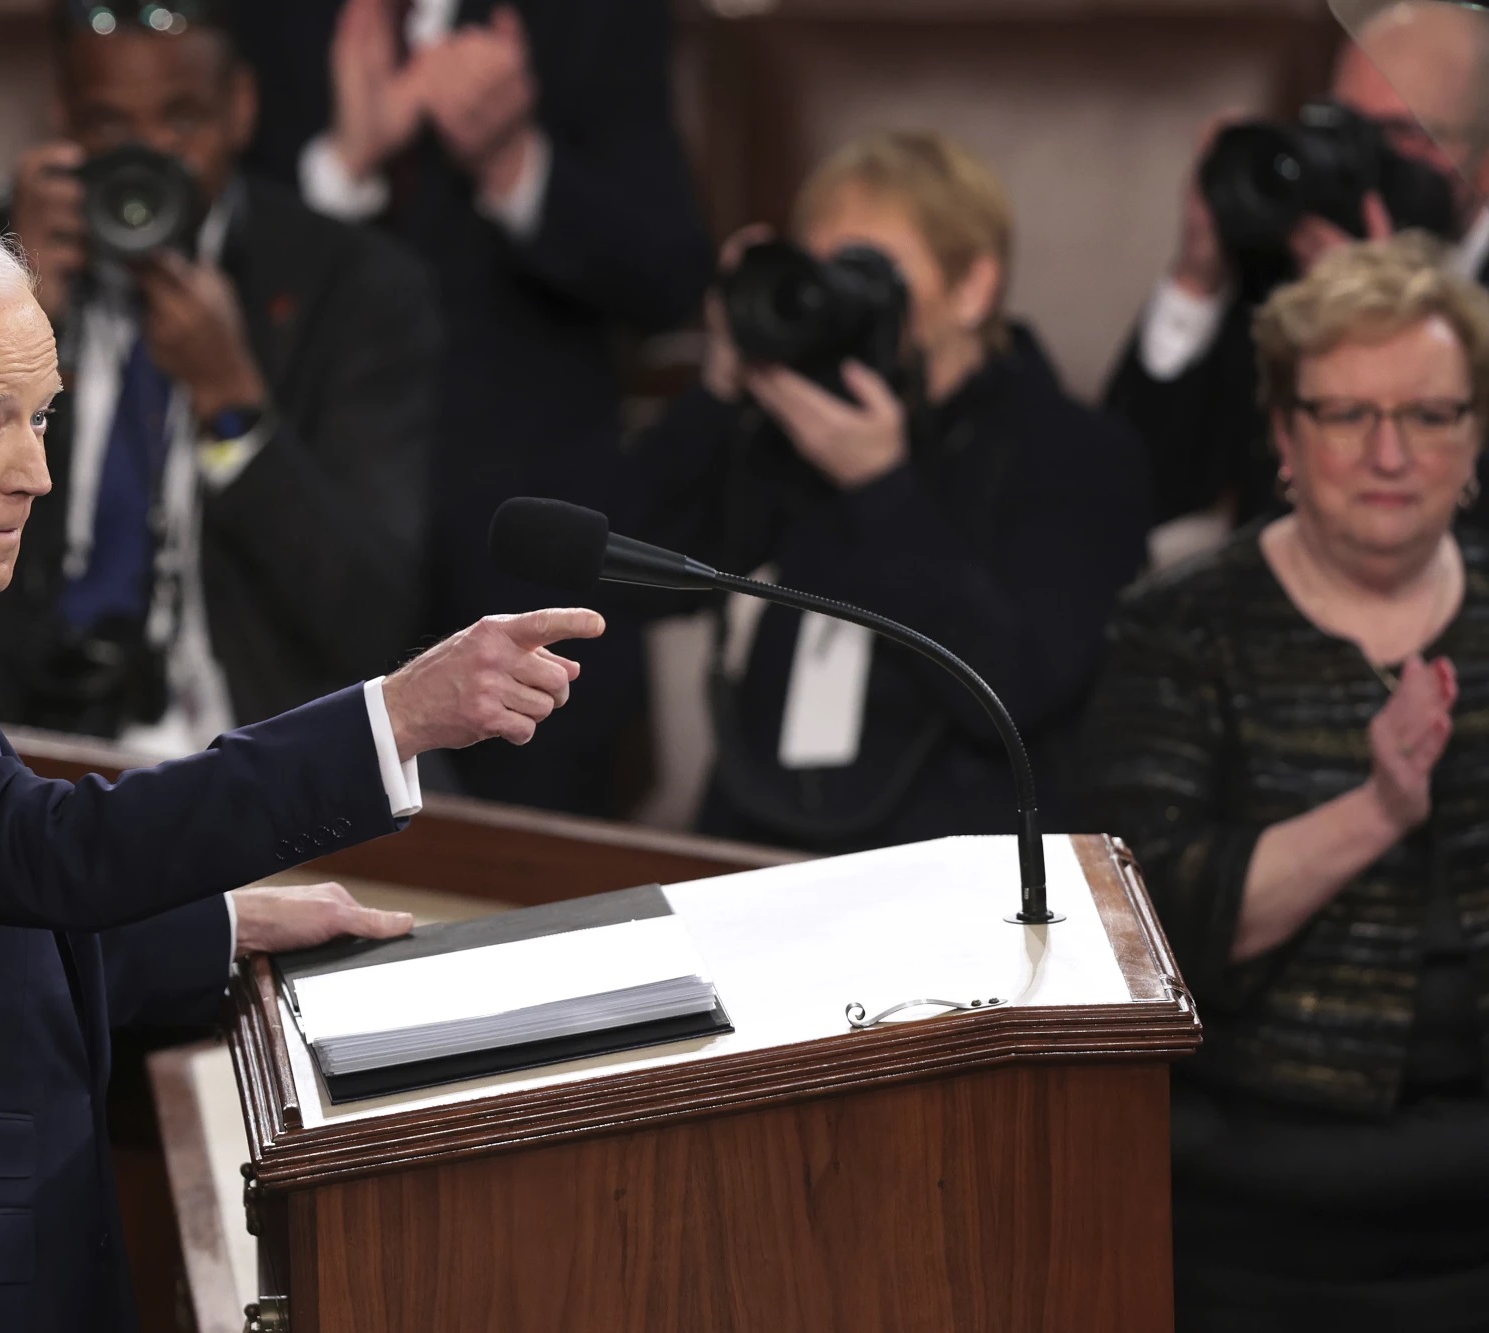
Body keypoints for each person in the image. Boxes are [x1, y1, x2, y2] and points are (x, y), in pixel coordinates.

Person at [0, 217, 601, 1330]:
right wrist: (395, 716)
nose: (35, 473)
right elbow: (47, 853)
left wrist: (223, 928)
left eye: (40, 419)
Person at [1084, 234, 1489, 1329]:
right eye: (1346, 414)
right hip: (1260, 1219)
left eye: (1430, 414)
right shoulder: (1180, 628)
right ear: (1280, 435)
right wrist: (1376, 811)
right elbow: (1141, 928)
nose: (1389, 452)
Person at [232, 0, 713, 815]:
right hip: (306, 543)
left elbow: (671, 279)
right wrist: (344, 169)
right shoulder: (268, 22)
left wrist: (514, 162)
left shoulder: (596, 21)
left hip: (522, 547)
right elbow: (204, 276)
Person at [0, 0, 439, 757]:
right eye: (108, 127)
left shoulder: (352, 289)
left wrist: (235, 405)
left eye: (181, 122)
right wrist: (15, 326)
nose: (146, 161)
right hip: (31, 750)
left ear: (240, 109)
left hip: (263, 751)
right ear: (61, 116)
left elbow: (368, 613)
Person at [632, 131, 1149, 854]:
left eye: (870, 270)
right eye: (824, 270)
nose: (841, 298)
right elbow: (630, 585)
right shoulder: (787, 424)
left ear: (973, 287)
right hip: (751, 841)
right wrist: (720, 385)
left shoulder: (1076, 455)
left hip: (954, 862)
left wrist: (881, 487)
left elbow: (1015, 687)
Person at [1105, 0, 1489, 528]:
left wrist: (1382, 323)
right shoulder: (1294, 259)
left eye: (1403, 135)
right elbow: (1128, 491)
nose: (1367, 162)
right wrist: (1198, 279)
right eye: (1346, 128)